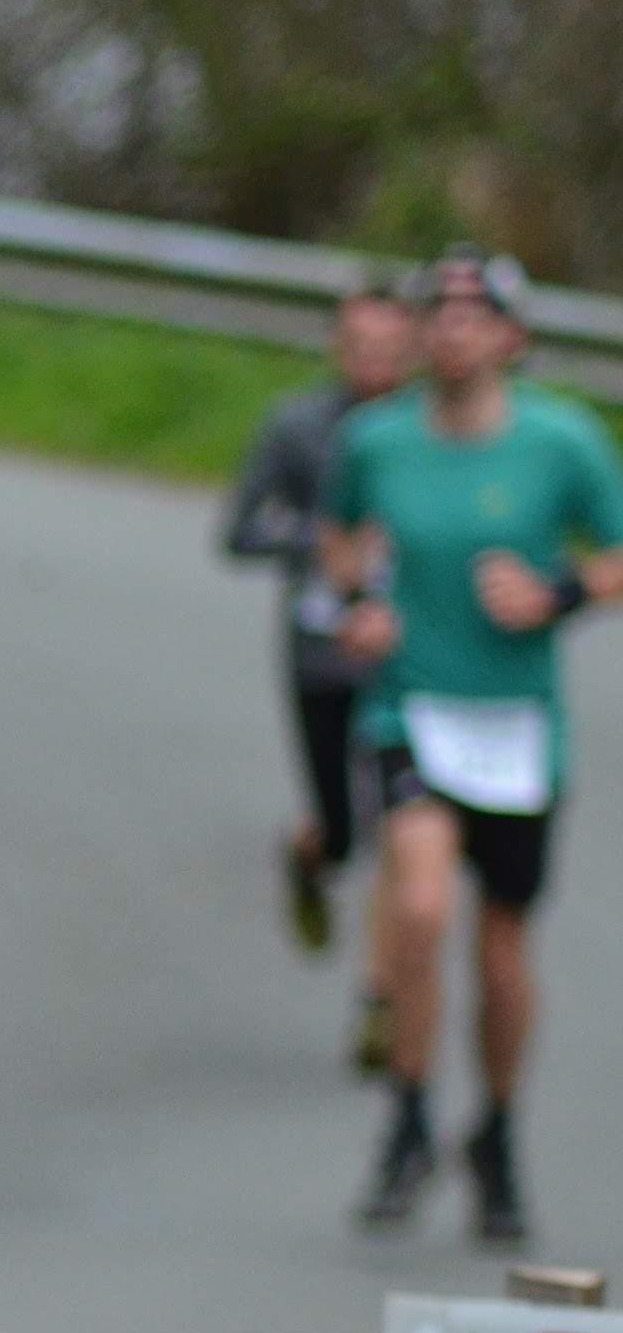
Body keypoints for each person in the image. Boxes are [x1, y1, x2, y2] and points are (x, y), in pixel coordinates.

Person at [325, 248, 623, 1245]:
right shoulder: (375, 440)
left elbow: (616, 549)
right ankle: (407, 1118)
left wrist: (557, 595)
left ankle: (494, 1132)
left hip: (514, 726)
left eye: (470, 316)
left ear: (510, 336)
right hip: (407, 708)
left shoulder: (560, 441)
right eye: (435, 315)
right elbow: (337, 534)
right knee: (417, 906)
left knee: (500, 954)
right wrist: (359, 604)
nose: (449, 331)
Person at [222, 281, 418, 974]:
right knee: (341, 832)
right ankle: (309, 856)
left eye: (390, 348)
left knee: (405, 828)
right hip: (321, 651)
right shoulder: (297, 425)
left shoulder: (432, 433)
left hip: (407, 656)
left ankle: (383, 993)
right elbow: (238, 533)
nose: (374, 361)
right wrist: (323, 540)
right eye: (360, 345)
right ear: (337, 345)